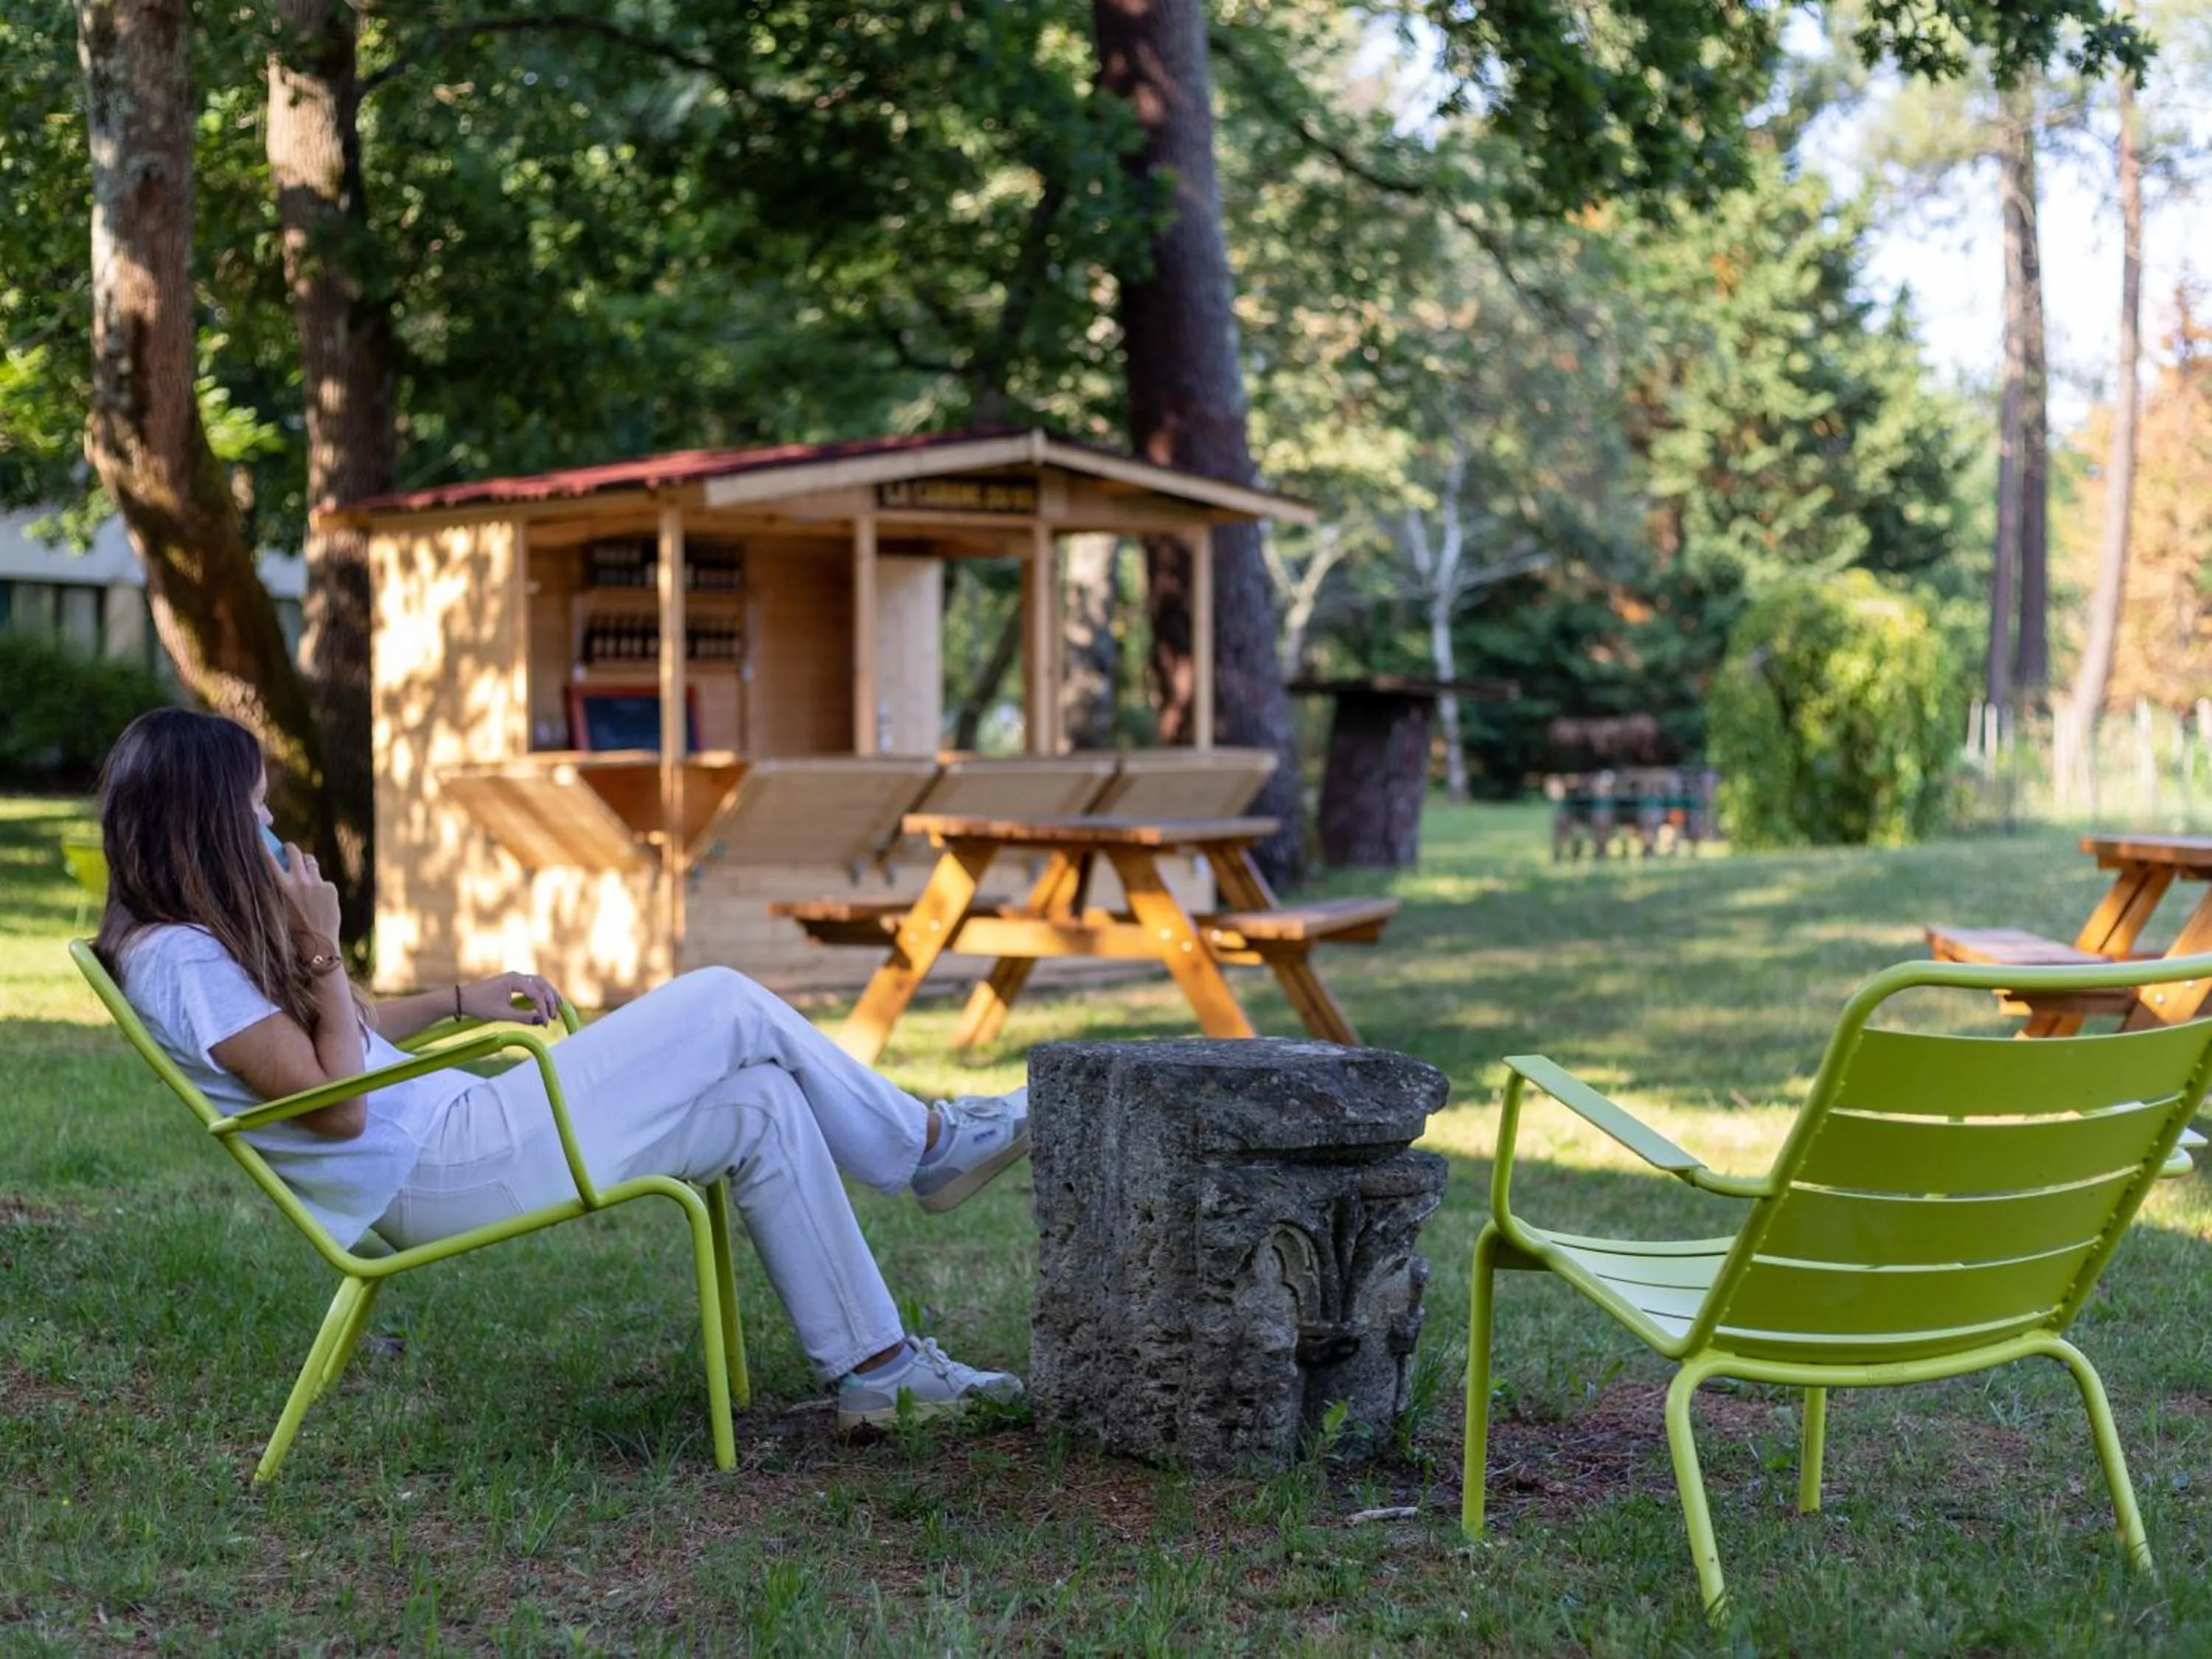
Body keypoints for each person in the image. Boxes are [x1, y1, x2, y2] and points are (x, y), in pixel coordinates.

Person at [93, 708, 1030, 1431]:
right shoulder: (180, 963)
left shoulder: (195, 945)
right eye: (256, 811)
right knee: (724, 1000)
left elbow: (352, 1042)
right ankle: (929, 1145)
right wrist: (322, 948)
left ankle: (878, 1372)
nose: (271, 828)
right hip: (439, 1168)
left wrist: (459, 997)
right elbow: (333, 1110)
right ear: (209, 823)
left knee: (761, 1103)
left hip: (458, 1132)